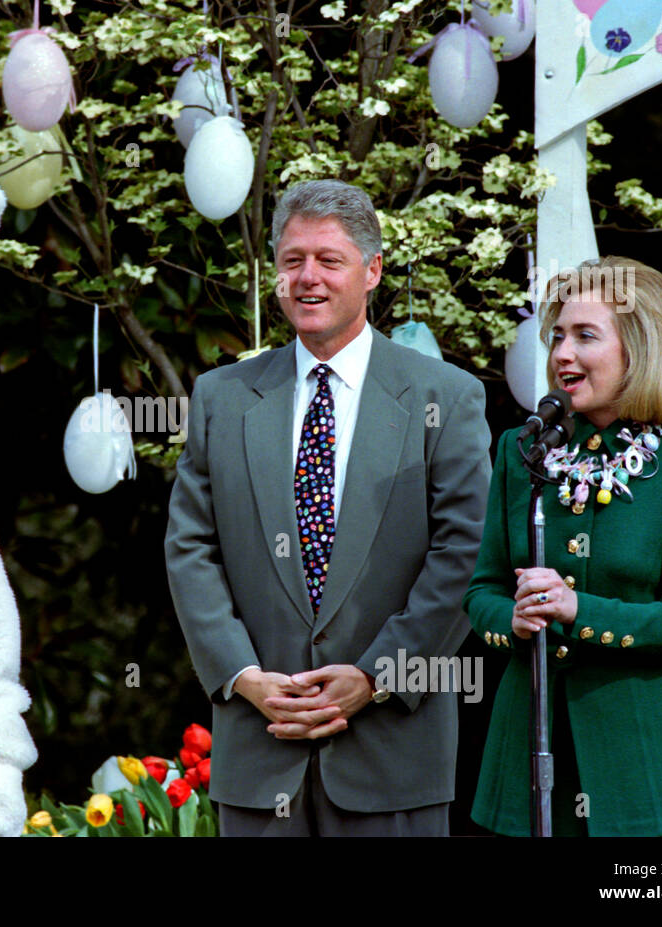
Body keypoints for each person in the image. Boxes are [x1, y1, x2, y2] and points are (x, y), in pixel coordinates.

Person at [163, 179, 492, 836]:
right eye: (292, 261)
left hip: (394, 755)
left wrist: (375, 676)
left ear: (372, 271)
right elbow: (190, 547)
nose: (306, 278)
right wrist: (245, 675)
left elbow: (466, 551)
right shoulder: (220, 398)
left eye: (328, 260)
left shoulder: (445, 397)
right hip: (260, 749)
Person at [466, 256, 662, 836]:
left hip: (651, 772)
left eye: (586, 336)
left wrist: (575, 611)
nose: (563, 353)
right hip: (526, 764)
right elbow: (483, 590)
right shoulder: (522, 453)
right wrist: (509, 621)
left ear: (641, 348)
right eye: (558, 336)